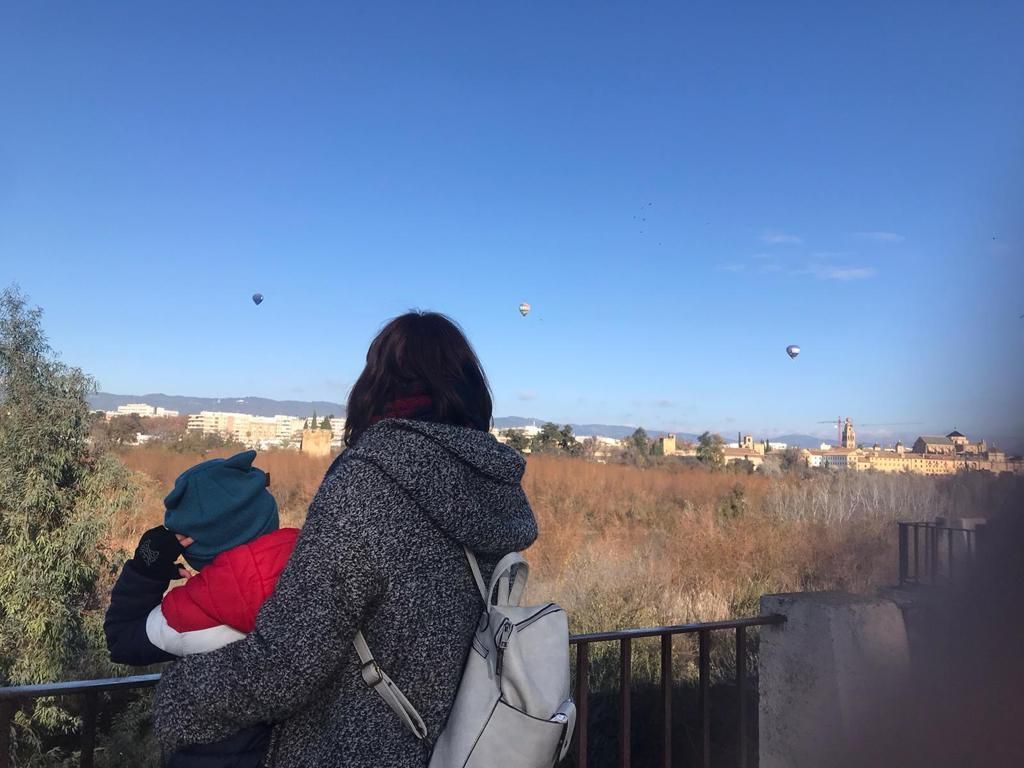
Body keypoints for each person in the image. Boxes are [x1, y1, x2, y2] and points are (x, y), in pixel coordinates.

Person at [153, 312, 538, 767]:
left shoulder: (369, 484)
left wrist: (178, 696)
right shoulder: (491, 488)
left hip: (350, 747)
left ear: (377, 385)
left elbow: (288, 660)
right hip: (453, 742)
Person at [104, 450, 299, 767]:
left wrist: (147, 569)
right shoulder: (320, 569)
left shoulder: (192, 612)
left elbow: (122, 638)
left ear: (192, 544)